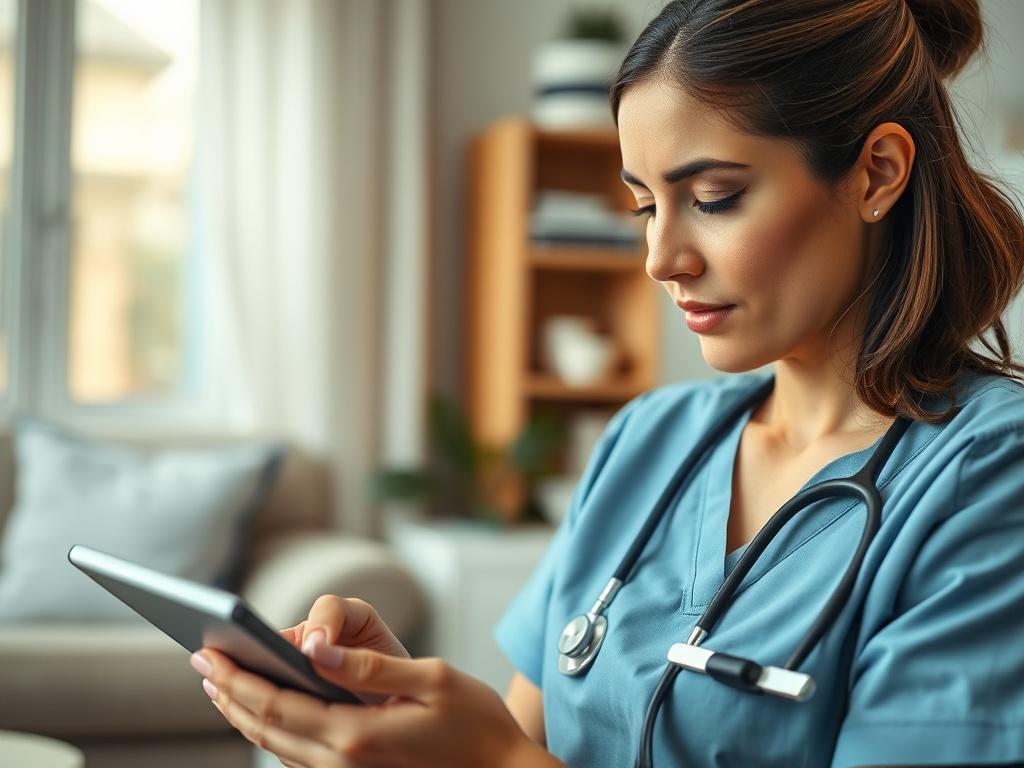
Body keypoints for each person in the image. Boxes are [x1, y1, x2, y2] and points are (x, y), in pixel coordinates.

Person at [189, 0, 1024, 765]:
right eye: (644, 207)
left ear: (876, 173)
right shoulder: (648, 441)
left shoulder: (990, 477)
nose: (662, 260)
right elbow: (529, 740)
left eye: (714, 197)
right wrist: (393, 719)